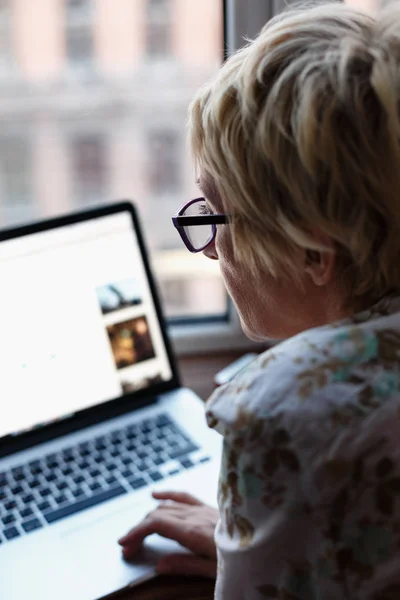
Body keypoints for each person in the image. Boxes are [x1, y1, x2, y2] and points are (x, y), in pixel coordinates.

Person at [118, 2, 400, 598]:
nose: (210, 249)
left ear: (312, 251)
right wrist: (263, 543)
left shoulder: (293, 411)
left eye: (217, 214)